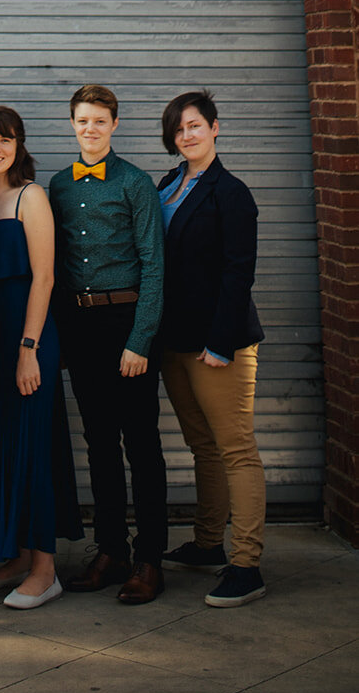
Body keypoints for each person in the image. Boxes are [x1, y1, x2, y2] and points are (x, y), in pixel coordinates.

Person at [49, 83, 167, 605]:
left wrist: (140, 339)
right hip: (81, 325)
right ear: (72, 125)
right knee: (98, 443)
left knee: (141, 444)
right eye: (82, 121)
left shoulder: (135, 183)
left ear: (114, 125)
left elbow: (155, 266)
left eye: (100, 121)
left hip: (127, 321)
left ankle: (150, 558)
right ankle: (111, 549)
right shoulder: (56, 184)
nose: (90, 129)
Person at [0, 105, 82, 609]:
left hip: (26, 335)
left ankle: (45, 570)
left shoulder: (30, 197)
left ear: (19, 145)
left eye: (6, 139)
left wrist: (29, 349)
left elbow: (46, 277)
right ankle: (13, 558)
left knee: (33, 447)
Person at [157, 90, 267, 608]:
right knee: (203, 447)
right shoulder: (169, 183)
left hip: (218, 344)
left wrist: (221, 343)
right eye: (179, 129)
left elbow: (238, 272)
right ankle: (207, 544)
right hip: (174, 341)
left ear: (215, 129)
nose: (187, 136)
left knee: (236, 449)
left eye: (196, 126)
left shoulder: (232, 192)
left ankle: (246, 564)